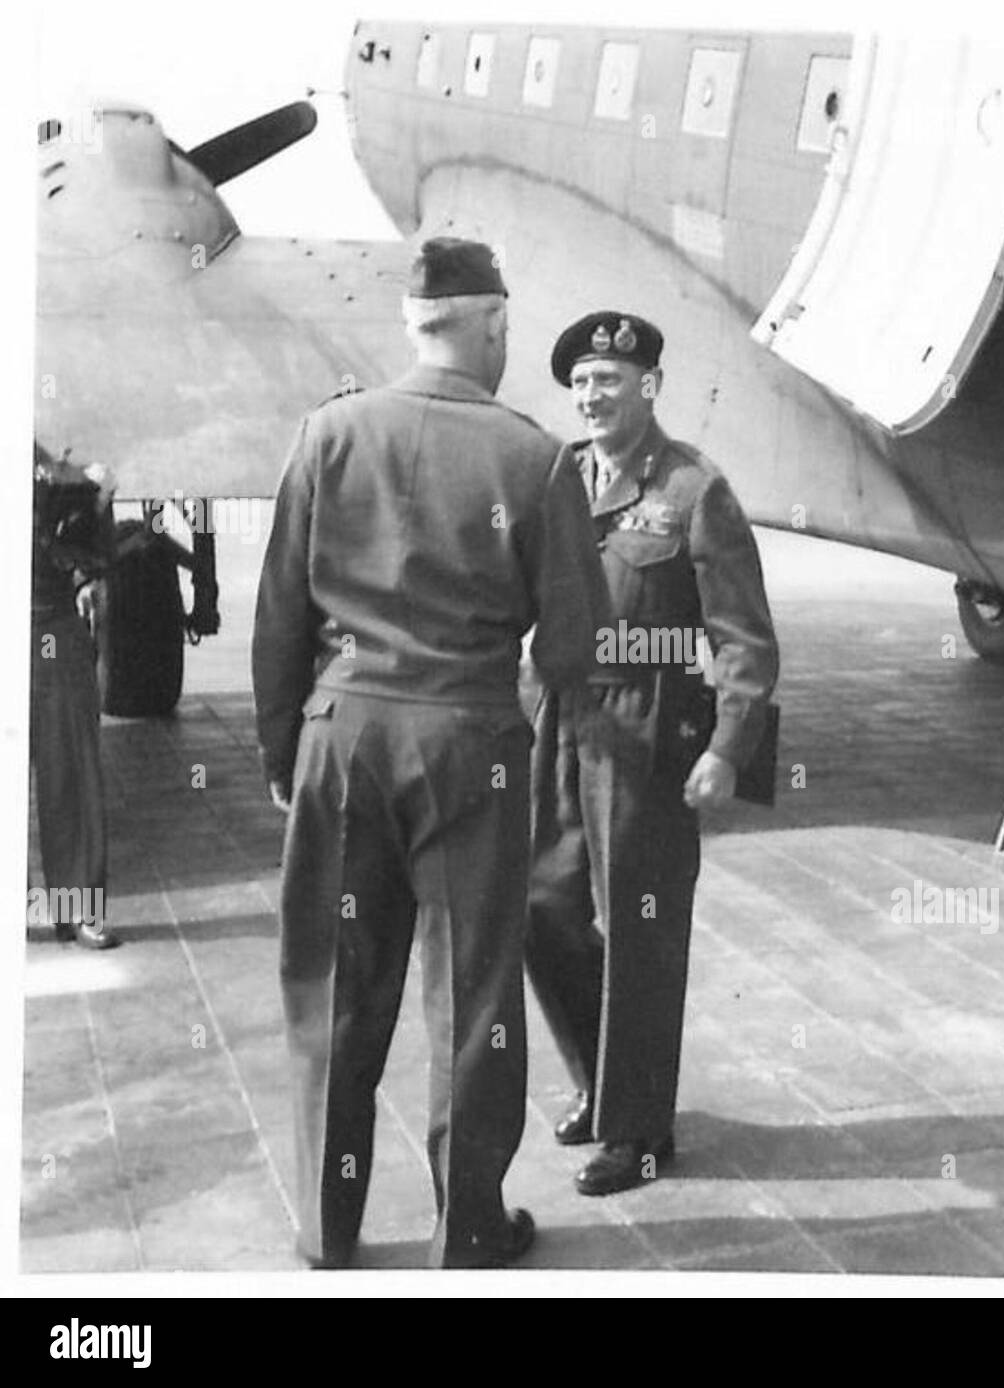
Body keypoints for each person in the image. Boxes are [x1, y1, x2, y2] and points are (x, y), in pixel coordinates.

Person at [251, 239, 608, 1270]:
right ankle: (470, 1230)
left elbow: (279, 611)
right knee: (474, 999)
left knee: (332, 986)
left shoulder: (328, 433)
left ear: (416, 325)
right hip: (469, 745)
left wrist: (287, 749)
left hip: (341, 735)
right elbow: (575, 648)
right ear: (492, 324)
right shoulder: (534, 457)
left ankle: (329, 1224)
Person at [525, 311, 779, 1196]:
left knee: (640, 932)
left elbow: (744, 636)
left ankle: (637, 1132)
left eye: (608, 381)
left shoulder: (692, 488)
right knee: (540, 905)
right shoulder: (562, 475)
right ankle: (601, 1083)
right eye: (582, 383)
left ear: (649, 388)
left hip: (649, 732)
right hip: (561, 721)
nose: (592, 397)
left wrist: (727, 747)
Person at [30, 440, 119, 950]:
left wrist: (100, 503)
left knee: (71, 774)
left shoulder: (55, 476)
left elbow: (96, 558)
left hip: (52, 627)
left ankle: (78, 908)